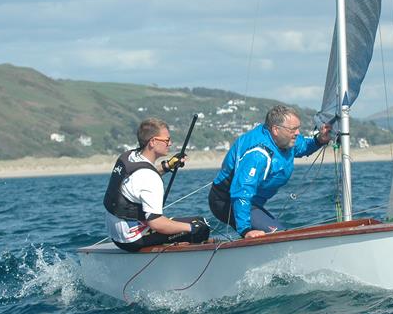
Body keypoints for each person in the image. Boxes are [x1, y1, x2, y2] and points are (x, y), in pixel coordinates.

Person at [209, 105, 332, 239]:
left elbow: (302, 146)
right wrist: (246, 230)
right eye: (293, 129)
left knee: (281, 233)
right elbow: (242, 191)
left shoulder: (284, 139)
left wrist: (319, 140)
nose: (297, 133)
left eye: (298, 128)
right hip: (229, 200)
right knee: (280, 236)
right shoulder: (258, 155)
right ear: (275, 130)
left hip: (251, 202)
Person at [104, 118, 210, 252]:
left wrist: (167, 166)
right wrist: (192, 228)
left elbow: (138, 182)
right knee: (200, 224)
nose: (170, 144)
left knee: (190, 225)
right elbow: (156, 223)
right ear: (153, 142)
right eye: (167, 140)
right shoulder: (150, 178)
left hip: (116, 233)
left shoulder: (129, 156)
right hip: (132, 239)